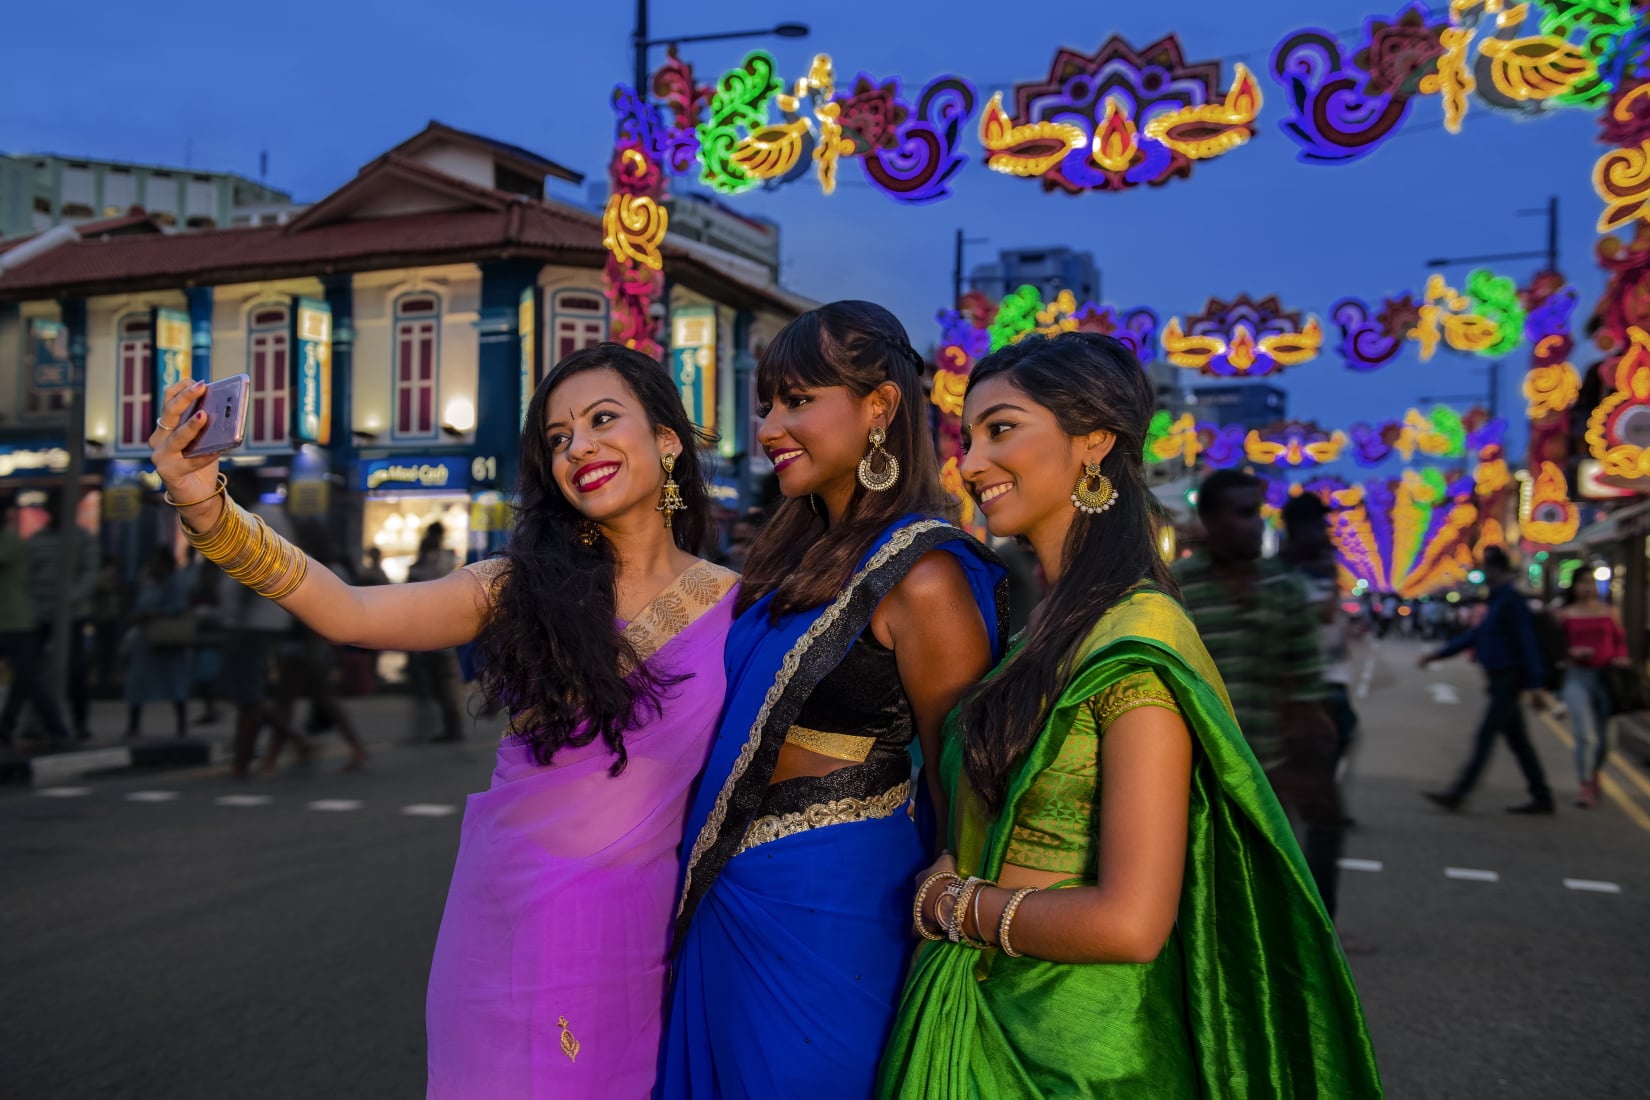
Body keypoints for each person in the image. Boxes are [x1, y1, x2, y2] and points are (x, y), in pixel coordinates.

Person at [151, 343, 737, 1099]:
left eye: (600, 420)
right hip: (513, 932)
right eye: (558, 438)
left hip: (651, 941)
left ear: (667, 438)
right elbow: (351, 612)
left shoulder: (741, 607)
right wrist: (207, 508)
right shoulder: (516, 587)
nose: (579, 447)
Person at [878, 332, 1381, 1099]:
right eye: (968, 437)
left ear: (1095, 441)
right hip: (981, 1011)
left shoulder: (1133, 641)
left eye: (1001, 429)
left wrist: (954, 905)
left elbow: (1131, 922)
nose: (972, 464)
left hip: (1077, 1055)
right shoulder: (1042, 628)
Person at [657, 301, 1006, 1099]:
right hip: (730, 894)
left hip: (838, 911)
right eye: (768, 405)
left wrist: (952, 954)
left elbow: (966, 787)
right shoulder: (789, 559)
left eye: (799, 401)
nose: (773, 425)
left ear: (879, 407)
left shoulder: (925, 577)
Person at [1174, 470, 1347, 918]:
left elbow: (1307, 688)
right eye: (1243, 513)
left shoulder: (1283, 588)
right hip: (1194, 775)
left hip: (1266, 774)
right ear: (1209, 520)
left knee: (1264, 898)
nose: (1256, 525)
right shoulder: (1177, 589)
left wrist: (1315, 769)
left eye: (1258, 513)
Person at [1419, 545, 1555, 814]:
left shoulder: (1512, 602)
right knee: (1518, 741)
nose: (1484, 572)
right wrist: (1439, 654)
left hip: (1508, 677)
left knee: (1486, 735)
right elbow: (1477, 635)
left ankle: (1459, 792)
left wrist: (1537, 681)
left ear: (1497, 569)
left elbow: (1528, 643)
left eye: (1487, 567)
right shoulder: (1497, 600)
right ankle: (1542, 795)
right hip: (1498, 677)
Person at [265, 521, 369, 773]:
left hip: (306, 644)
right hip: (311, 644)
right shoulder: (328, 567)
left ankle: (276, 755)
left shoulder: (316, 567)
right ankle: (352, 747)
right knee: (317, 699)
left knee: (285, 701)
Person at [0, 497, 72, 748]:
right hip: (13, 620)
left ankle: (56, 730)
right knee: (26, 679)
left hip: (17, 621)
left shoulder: (11, 540)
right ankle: (9, 725)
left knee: (29, 679)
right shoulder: (26, 541)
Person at [1554, 575, 1627, 808]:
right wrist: (1571, 652)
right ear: (1574, 587)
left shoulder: (1610, 612)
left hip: (1607, 678)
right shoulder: (1564, 615)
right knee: (1584, 735)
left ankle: (1594, 772)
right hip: (1577, 678)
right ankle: (1585, 784)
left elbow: (1620, 642)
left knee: (1607, 741)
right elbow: (1555, 647)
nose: (1587, 588)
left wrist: (1621, 658)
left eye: (1590, 583)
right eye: (1583, 583)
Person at [123, 546, 193, 739]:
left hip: (167, 639)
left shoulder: (175, 582)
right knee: (137, 683)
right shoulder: (148, 581)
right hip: (147, 641)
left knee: (175, 684)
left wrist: (155, 613)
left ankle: (181, 725)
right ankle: (133, 725)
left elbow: (179, 607)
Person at [405, 523, 464, 743]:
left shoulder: (425, 566)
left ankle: (440, 729)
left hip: (428, 635)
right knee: (441, 685)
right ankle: (446, 728)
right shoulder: (447, 562)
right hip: (441, 634)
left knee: (434, 686)